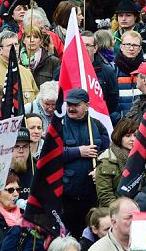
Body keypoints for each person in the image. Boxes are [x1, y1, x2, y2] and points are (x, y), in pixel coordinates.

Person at [62, 88, 110, 237]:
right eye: (69, 104)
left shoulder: (98, 126)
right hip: (67, 195)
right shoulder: (58, 126)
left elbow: (107, 154)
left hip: (91, 194)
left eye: (76, 105)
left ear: (87, 105)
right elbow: (51, 155)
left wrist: (99, 169)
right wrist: (78, 151)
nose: (71, 108)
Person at [96, 118, 146, 207]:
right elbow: (105, 196)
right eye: (128, 136)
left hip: (142, 206)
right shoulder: (106, 161)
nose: (133, 139)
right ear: (119, 137)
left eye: (136, 135)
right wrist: (124, 210)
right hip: (115, 210)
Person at [0, 31, 38, 103]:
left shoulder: (26, 73)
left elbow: (36, 99)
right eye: (10, 45)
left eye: (16, 44)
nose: (15, 48)